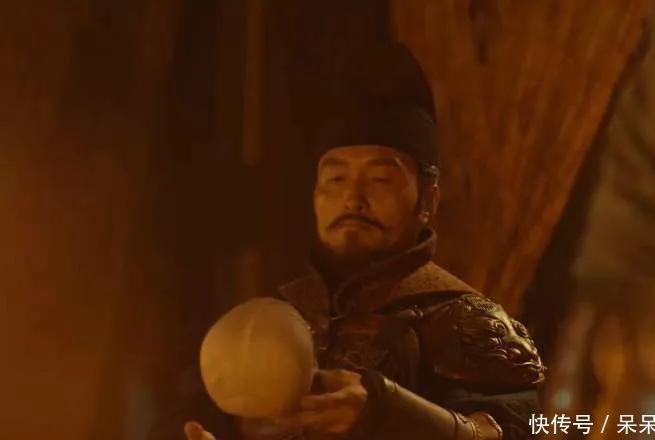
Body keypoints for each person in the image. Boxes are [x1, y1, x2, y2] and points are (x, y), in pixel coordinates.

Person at [149, 42, 545, 440]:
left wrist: (387, 412)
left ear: (428, 202)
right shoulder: (278, 317)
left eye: (380, 179)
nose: (352, 199)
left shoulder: (469, 323)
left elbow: (519, 432)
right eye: (336, 179)